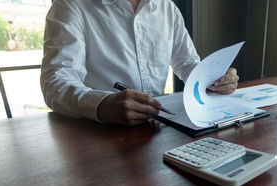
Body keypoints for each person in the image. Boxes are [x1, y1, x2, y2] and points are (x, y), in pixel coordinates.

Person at [41, 0, 239, 126]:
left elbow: (186, 63)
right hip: (100, 132)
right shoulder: (70, 5)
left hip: (160, 124)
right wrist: (100, 105)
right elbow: (56, 81)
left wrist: (214, 78)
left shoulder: (167, 7)